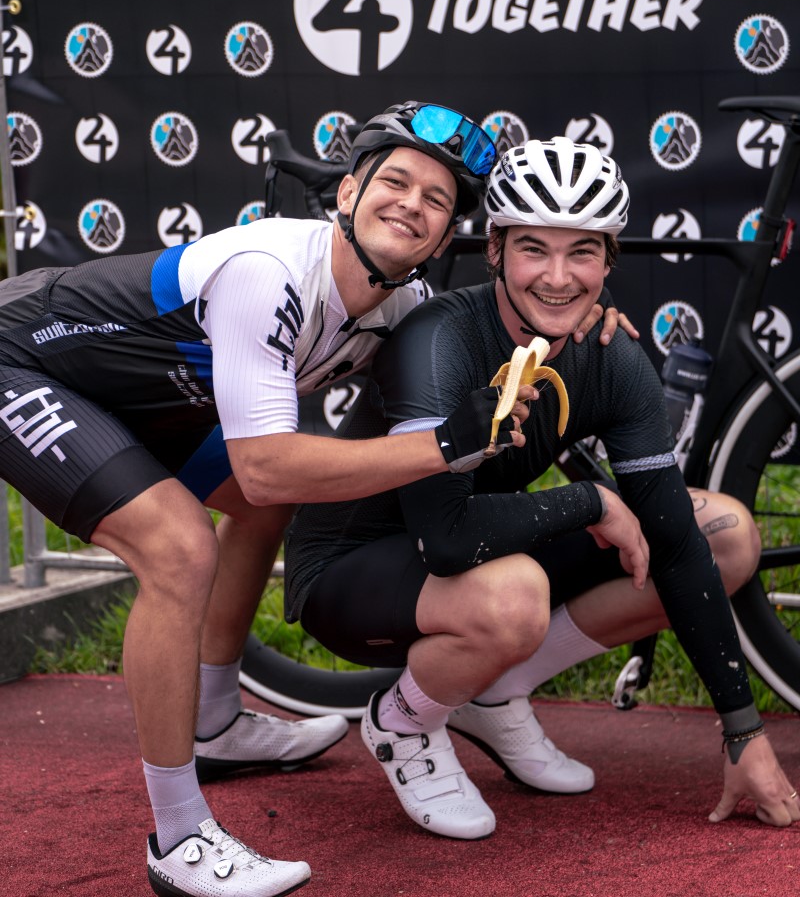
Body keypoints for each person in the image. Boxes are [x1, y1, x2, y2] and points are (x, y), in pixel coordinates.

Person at [2, 104, 623, 897]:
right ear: (346, 195)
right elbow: (263, 467)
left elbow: (500, 334)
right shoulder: (271, 273)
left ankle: (215, 722)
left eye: (436, 201)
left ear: (445, 239)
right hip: (22, 361)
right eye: (394, 181)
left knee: (258, 514)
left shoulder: (396, 306)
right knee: (181, 546)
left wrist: (585, 321)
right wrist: (441, 445)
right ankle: (179, 837)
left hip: (142, 398)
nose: (412, 204)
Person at [284, 135, 799, 841]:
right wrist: (590, 501)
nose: (557, 278)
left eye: (581, 251)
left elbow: (675, 543)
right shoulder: (442, 339)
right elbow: (448, 538)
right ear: (494, 248)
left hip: (478, 553)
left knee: (723, 533)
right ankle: (402, 722)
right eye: (533, 249)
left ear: (609, 260)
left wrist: (742, 731)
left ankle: (492, 689)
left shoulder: (611, 355)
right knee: (514, 592)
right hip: (354, 572)